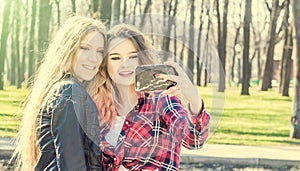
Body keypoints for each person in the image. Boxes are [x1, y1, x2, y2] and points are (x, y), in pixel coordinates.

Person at [95, 24, 210, 171]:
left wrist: (195, 101)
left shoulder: (162, 98)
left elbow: (193, 140)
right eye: (116, 57)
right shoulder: (98, 107)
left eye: (132, 56)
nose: (125, 64)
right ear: (105, 64)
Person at [11, 16, 106, 170]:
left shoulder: (70, 90)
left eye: (100, 51)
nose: (94, 58)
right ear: (68, 49)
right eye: (85, 48)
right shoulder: (69, 92)